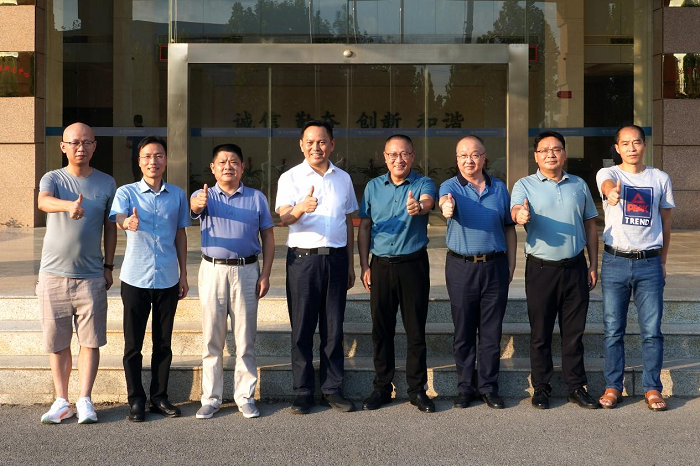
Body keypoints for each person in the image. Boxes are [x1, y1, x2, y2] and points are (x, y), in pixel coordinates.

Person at [510, 130, 599, 410]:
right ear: (536, 156)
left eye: (556, 149)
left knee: (574, 332)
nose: (551, 154)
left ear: (564, 153)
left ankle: (576, 386)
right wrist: (520, 215)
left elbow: (590, 225)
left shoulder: (579, 184)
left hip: (575, 267)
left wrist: (593, 264)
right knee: (541, 333)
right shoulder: (524, 184)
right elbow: (515, 209)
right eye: (544, 150)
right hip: (541, 269)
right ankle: (541, 387)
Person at [275, 120, 358, 415]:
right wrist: (300, 208)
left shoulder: (343, 179)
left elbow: (348, 221)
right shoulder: (290, 177)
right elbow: (283, 217)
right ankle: (303, 391)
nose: (316, 147)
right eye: (309, 142)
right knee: (302, 329)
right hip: (303, 261)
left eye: (322, 142)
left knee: (333, 329)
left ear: (332, 145)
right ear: (301, 145)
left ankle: (332, 389)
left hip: (336, 260)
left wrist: (350, 263)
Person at [36, 122, 117, 424]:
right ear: (63, 147)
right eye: (74, 142)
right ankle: (61, 401)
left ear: (95, 146)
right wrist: (68, 206)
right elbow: (43, 202)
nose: (80, 148)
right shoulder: (53, 178)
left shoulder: (107, 182)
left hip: (91, 275)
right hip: (53, 274)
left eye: (86, 142)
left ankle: (84, 399)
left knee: (90, 341)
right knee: (58, 342)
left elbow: (110, 227)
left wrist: (109, 266)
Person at [109, 136, 190, 422]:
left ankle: (159, 397)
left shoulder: (177, 195)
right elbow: (119, 217)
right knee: (133, 345)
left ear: (166, 160)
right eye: (147, 156)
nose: (153, 161)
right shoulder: (127, 192)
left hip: (167, 277)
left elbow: (180, 234)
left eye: (158, 156)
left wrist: (183, 273)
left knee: (163, 343)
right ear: (139, 161)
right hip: (135, 279)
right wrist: (127, 222)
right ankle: (136, 400)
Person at [190, 143, 275, 420]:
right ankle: (210, 398)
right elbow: (194, 208)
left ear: (242, 167)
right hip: (212, 270)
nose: (228, 166)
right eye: (222, 162)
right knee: (211, 339)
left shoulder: (256, 198)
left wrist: (265, 273)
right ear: (213, 168)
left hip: (247, 270)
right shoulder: (203, 195)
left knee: (245, 338)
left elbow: (268, 237)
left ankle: (245, 397)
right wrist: (197, 204)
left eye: (234, 162)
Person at [596, 125, 674, 411]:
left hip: (649, 262)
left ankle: (652, 388)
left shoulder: (660, 178)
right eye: (625, 143)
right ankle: (613, 386)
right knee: (612, 330)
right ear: (617, 148)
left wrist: (663, 260)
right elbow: (606, 185)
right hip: (615, 261)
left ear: (644, 145)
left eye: (637, 142)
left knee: (651, 331)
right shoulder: (609, 174)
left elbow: (666, 223)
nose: (631, 148)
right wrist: (611, 194)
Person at [357, 134, 437, 413]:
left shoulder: (423, 183)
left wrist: (419, 207)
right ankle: (382, 387)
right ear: (385, 157)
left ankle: (416, 390)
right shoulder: (373, 186)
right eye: (393, 154)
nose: (398, 159)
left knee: (415, 330)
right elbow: (364, 227)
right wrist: (364, 265)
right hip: (379, 265)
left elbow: (427, 202)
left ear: (413, 156)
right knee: (381, 330)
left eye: (404, 154)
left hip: (413, 265)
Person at [438, 136, 516, 410]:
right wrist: (447, 207)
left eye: (474, 155)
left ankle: (488, 387)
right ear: (456, 159)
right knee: (464, 330)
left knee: (491, 331)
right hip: (461, 267)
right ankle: (465, 387)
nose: (468, 160)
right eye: (463, 156)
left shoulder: (499, 188)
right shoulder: (450, 186)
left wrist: (511, 264)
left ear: (484, 158)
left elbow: (509, 228)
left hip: (495, 265)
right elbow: (444, 203)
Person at [125, 115, 145, 182]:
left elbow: (128, 144)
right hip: (145, 156)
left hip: (135, 155)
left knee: (136, 176)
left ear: (135, 122)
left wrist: (134, 147)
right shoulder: (146, 131)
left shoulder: (132, 131)